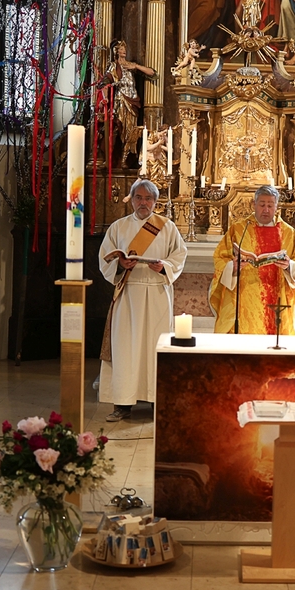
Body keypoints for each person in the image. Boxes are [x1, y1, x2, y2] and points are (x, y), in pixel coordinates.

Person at [98, 180, 187, 423]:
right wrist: (120, 264)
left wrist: (164, 266)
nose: (143, 202)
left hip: (157, 294)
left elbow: (179, 255)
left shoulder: (166, 227)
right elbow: (105, 257)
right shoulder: (118, 227)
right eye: (139, 197)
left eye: (148, 198)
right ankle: (122, 404)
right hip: (128, 294)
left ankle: (157, 400)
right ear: (132, 200)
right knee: (125, 348)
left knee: (155, 348)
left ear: (155, 202)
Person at [210, 185, 295, 335]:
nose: (266, 209)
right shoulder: (239, 230)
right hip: (246, 297)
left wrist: (289, 266)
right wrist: (232, 267)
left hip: (277, 293)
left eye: (270, 205)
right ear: (254, 204)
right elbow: (220, 257)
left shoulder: (288, 232)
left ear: (276, 206)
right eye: (262, 205)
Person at [101, 40, 156, 165]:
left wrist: (136, 66)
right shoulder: (114, 66)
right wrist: (105, 98)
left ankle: (125, 159)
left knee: (131, 132)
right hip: (121, 100)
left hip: (133, 102)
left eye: (124, 48)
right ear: (116, 51)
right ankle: (113, 158)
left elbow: (152, 73)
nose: (124, 51)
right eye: (121, 49)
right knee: (119, 128)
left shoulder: (131, 66)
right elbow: (105, 83)